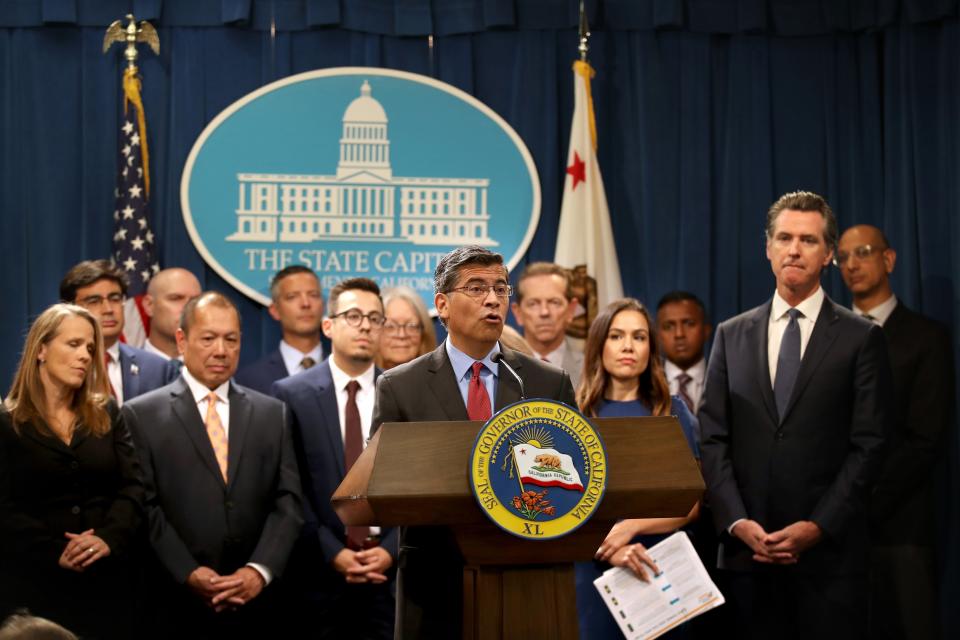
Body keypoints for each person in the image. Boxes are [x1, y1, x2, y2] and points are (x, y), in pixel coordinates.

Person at [700, 191, 891, 639]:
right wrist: (736, 521)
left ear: (827, 254)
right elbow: (712, 439)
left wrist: (818, 526)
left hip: (828, 563)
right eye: (784, 238)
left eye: (807, 240)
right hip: (745, 557)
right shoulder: (731, 335)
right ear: (767, 248)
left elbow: (871, 445)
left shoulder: (861, 338)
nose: (794, 249)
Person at [372, 245, 576, 639]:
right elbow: (381, 484)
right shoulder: (401, 387)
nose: (492, 299)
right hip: (434, 583)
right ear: (442, 305)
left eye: (501, 288)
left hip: (526, 576)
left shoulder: (547, 383)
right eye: (477, 288)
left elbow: (575, 476)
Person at [121, 292, 303, 638]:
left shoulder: (271, 413)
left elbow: (288, 500)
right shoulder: (141, 414)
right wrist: (188, 572)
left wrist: (258, 570)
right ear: (181, 340)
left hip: (258, 606)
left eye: (231, 339)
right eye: (208, 338)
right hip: (173, 603)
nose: (220, 350)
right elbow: (145, 505)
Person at [837, 224, 953, 640]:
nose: (851, 264)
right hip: (831, 536)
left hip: (899, 528)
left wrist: (855, 503)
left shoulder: (927, 338)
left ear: (888, 259)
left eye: (863, 252)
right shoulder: (829, 338)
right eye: (843, 256)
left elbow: (925, 441)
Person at [0, 304, 143, 639]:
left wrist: (107, 538)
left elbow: (133, 487)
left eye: (90, 348)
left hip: (107, 583)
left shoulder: (106, 410)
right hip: (35, 586)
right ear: (41, 350)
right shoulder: (6, 422)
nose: (85, 356)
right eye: (74, 344)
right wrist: (55, 552)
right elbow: (3, 508)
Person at [273, 278, 396, 639]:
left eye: (375, 318)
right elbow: (289, 487)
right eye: (354, 315)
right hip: (317, 576)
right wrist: (331, 552)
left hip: (388, 574)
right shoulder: (292, 395)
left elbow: (417, 484)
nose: (365, 326)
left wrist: (390, 550)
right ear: (328, 326)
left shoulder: (401, 391)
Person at [574, 298, 700, 640]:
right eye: (616, 336)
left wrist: (628, 528)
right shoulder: (573, 414)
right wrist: (609, 545)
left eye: (639, 337)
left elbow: (690, 505)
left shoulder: (674, 411)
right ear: (599, 345)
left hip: (657, 567)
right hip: (593, 567)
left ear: (650, 347)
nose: (628, 346)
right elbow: (558, 505)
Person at [60, 260, 176, 404]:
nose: (108, 309)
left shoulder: (158, 369)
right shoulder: (57, 366)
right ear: (70, 308)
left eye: (115, 299)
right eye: (94, 301)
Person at [235, 265, 325, 394]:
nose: (305, 304)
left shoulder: (345, 370)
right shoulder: (248, 380)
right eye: (292, 296)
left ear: (323, 305)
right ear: (275, 310)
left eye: (313, 295)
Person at [511, 262, 584, 386]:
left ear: (571, 310)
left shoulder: (592, 370)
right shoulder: (499, 369)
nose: (544, 312)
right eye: (533, 303)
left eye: (554, 302)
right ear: (518, 313)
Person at [656, 291, 711, 413]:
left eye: (689, 324)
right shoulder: (645, 386)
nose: (679, 334)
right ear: (657, 336)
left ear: (706, 330)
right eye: (668, 326)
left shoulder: (726, 384)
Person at [142, 268, 202, 360]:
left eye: (195, 301)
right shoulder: (125, 368)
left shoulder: (216, 370)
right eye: (176, 298)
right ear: (149, 305)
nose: (188, 307)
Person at [376, 286, 436, 370]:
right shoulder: (357, 381)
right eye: (390, 326)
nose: (402, 335)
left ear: (423, 334)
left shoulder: (444, 380)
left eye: (411, 326)